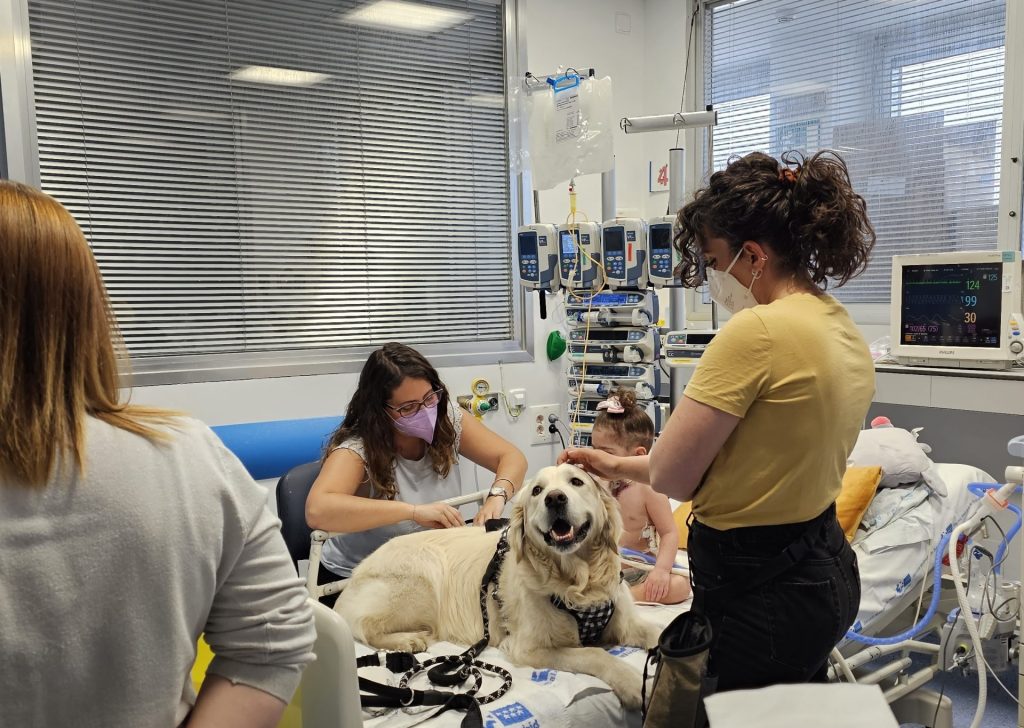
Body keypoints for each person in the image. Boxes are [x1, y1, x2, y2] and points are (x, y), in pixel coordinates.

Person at [0, 180, 316, 728]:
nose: (425, 411)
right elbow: (274, 640)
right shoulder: (186, 457)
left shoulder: (188, 455)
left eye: (429, 400)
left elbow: (278, 636)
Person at [560, 150, 876, 693]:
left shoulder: (757, 331)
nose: (709, 275)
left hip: (761, 589)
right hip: (822, 568)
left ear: (752, 255)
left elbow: (675, 477)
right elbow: (762, 457)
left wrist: (634, 467)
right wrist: (615, 462)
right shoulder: (838, 323)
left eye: (711, 259)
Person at [305, 342, 528, 593]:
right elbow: (317, 510)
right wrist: (412, 512)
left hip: (428, 567)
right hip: (359, 579)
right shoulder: (358, 449)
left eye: (429, 398)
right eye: (408, 408)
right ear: (379, 411)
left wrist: (496, 497)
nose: (424, 412)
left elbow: (511, 457)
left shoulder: (449, 419)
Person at [589, 388, 691, 605]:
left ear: (638, 457)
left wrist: (661, 571)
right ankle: (605, 599)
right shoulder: (593, 483)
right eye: (593, 449)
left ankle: (619, 601)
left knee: (681, 586)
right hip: (599, 571)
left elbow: (669, 533)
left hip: (637, 571)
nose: (596, 459)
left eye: (605, 453)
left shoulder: (648, 488)